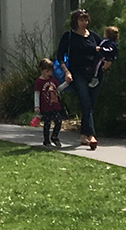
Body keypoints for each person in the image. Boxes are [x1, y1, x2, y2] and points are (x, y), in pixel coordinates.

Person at [57, 8, 101, 149]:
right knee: (86, 103)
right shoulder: (69, 36)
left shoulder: (93, 36)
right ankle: (91, 136)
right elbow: (60, 56)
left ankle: (83, 136)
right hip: (77, 74)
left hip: (94, 74)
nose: (84, 22)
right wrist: (66, 72)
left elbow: (105, 50)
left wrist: (107, 61)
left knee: (90, 105)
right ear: (75, 21)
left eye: (86, 20)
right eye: (81, 20)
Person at [33, 60, 64, 147]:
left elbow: (59, 88)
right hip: (45, 107)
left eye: (50, 71)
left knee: (58, 121)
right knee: (47, 123)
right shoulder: (39, 82)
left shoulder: (52, 80)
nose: (49, 73)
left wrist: (67, 83)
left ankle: (55, 136)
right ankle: (46, 140)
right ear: (41, 70)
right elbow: (37, 94)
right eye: (47, 71)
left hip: (55, 105)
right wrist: (37, 106)